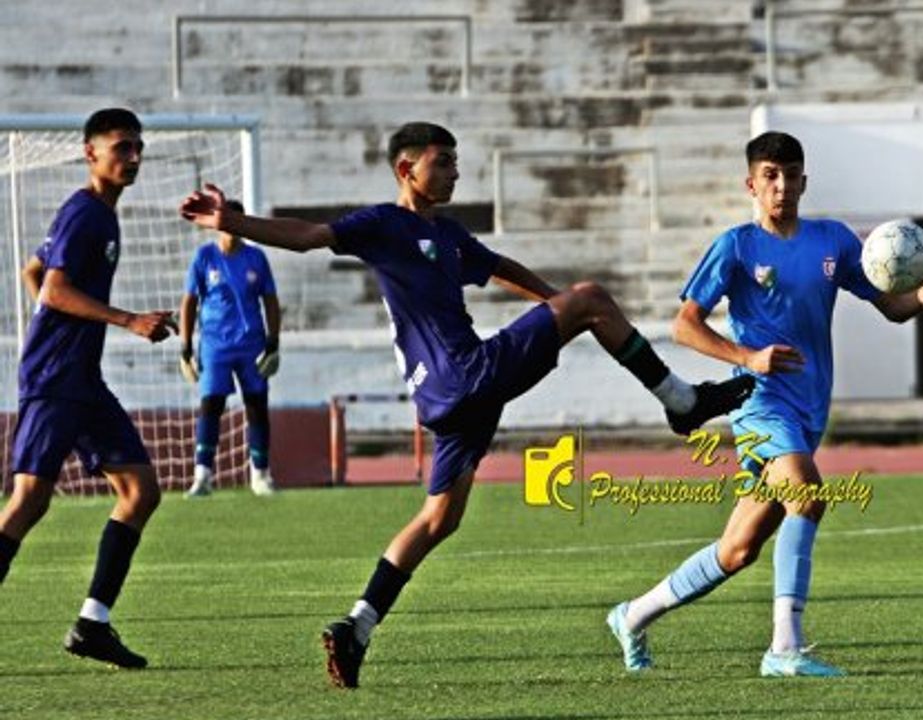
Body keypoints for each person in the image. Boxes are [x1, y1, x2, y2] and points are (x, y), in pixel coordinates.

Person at [178, 121, 755, 689]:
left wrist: (561, 307)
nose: (455, 172)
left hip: (446, 399)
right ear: (407, 169)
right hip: (466, 376)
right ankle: (681, 402)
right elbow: (309, 236)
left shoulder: (449, 235)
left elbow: (500, 268)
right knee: (593, 297)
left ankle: (358, 625)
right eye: (443, 162)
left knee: (438, 519)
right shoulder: (381, 223)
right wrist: (233, 222)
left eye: (455, 161)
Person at [606, 131, 923, 677]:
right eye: (770, 176)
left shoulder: (834, 242)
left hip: (808, 410)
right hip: (757, 402)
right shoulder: (736, 247)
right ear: (752, 184)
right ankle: (784, 648)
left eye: (790, 175)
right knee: (808, 493)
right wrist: (748, 358)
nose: (781, 186)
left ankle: (633, 616)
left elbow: (891, 307)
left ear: (803, 181)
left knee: (737, 550)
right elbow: (684, 326)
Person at [0, 108, 175, 669]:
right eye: (121, 147)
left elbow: (34, 272)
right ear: (90, 153)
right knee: (29, 501)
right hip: (55, 382)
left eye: (137, 148)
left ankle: (92, 624)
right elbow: (52, 290)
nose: (133, 157)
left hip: (82, 380)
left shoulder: (98, 215)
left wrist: (63, 327)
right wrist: (128, 321)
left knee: (141, 491)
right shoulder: (87, 214)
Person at [179, 198, 282, 497]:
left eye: (238, 222)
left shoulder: (256, 258)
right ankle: (202, 476)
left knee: (256, 406)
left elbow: (271, 301)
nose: (232, 228)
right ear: (217, 222)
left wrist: (274, 340)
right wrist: (185, 344)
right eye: (227, 221)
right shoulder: (204, 257)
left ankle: (260, 475)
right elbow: (189, 301)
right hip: (214, 344)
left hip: (251, 343)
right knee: (211, 405)